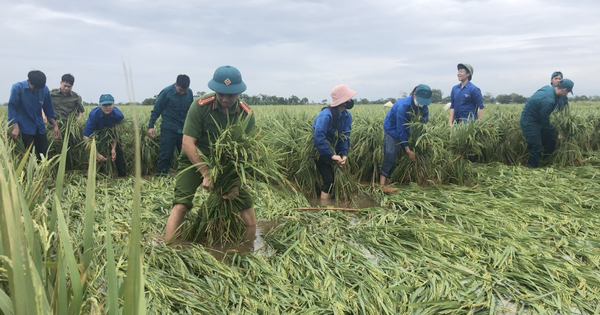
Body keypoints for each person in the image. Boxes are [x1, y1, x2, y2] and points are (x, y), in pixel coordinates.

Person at [164, 65, 255, 241]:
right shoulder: (200, 107)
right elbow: (187, 143)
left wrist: (235, 183)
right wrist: (206, 173)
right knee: (181, 204)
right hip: (195, 159)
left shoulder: (246, 114)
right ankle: (169, 249)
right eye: (220, 93)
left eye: (231, 95)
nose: (225, 98)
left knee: (245, 204)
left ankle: (250, 245)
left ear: (239, 92)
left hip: (228, 164)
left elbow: (247, 151)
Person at [379, 84, 431, 189]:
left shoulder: (424, 106)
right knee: (390, 153)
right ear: (414, 94)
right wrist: (407, 150)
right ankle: (382, 185)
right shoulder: (404, 106)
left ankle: (413, 180)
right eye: (421, 100)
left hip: (409, 129)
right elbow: (400, 129)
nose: (422, 104)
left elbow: (423, 123)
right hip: (392, 129)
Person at [312, 84, 356, 200]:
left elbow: (345, 136)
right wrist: (331, 155)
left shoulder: (347, 116)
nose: (351, 100)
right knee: (329, 180)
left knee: (334, 178)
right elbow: (319, 137)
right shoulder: (326, 115)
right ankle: (324, 209)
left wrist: (344, 154)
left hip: (333, 151)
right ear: (343, 101)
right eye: (349, 98)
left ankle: (327, 201)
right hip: (319, 150)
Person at [520, 79, 574, 168]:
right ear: (563, 90)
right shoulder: (548, 100)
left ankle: (546, 164)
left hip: (537, 119)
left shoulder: (548, 88)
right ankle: (532, 169)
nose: (566, 95)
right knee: (536, 147)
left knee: (550, 141)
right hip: (529, 121)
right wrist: (556, 135)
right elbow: (545, 121)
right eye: (567, 92)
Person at [8, 70, 60, 160]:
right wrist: (15, 127)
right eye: (34, 88)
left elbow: (49, 108)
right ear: (28, 81)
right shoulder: (17, 88)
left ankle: (44, 173)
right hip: (24, 128)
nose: (37, 90)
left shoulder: (44, 89)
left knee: (44, 156)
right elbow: (12, 108)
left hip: (39, 127)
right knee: (32, 156)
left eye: (39, 88)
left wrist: (55, 126)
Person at [147, 75, 194, 175]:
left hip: (184, 129)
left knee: (187, 153)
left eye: (185, 91)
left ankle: (186, 175)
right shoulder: (166, 92)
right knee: (166, 154)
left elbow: (192, 112)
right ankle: (162, 177)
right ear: (175, 84)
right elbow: (156, 110)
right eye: (180, 90)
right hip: (169, 129)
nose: (182, 93)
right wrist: (151, 126)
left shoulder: (189, 93)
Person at [82, 94, 126, 177]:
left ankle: (122, 175)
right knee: (94, 153)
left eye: (109, 105)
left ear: (113, 104)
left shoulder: (118, 115)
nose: (107, 107)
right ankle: (93, 176)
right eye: (104, 105)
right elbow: (86, 136)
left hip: (112, 136)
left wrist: (113, 148)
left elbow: (116, 133)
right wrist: (96, 153)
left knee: (118, 151)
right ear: (99, 105)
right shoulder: (94, 115)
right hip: (96, 135)